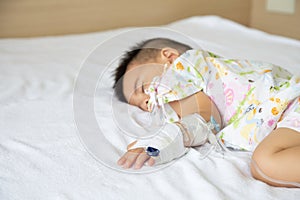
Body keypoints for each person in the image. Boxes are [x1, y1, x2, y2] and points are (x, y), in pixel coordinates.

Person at [113, 38, 300, 187]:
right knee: (266, 166)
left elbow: (206, 119)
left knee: (265, 163)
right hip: (289, 114)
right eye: (142, 105)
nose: (148, 102)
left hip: (292, 105)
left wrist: (160, 142)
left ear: (169, 57)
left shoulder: (180, 70)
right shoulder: (213, 73)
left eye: (142, 88)